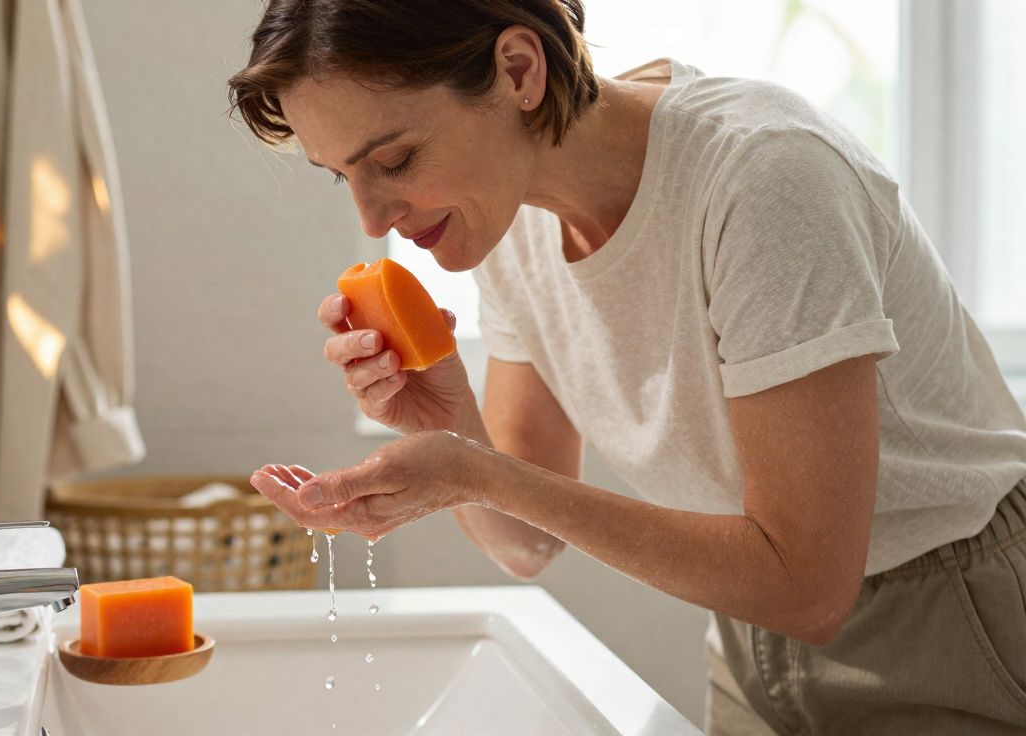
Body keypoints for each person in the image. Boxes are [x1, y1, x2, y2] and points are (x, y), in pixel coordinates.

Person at [227, 2, 1026, 733]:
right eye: (344, 175)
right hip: (751, 630)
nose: (371, 219)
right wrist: (450, 421)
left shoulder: (764, 178)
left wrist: (480, 473)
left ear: (518, 70)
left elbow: (808, 587)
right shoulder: (506, 220)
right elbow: (525, 544)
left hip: (952, 611)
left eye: (394, 159)